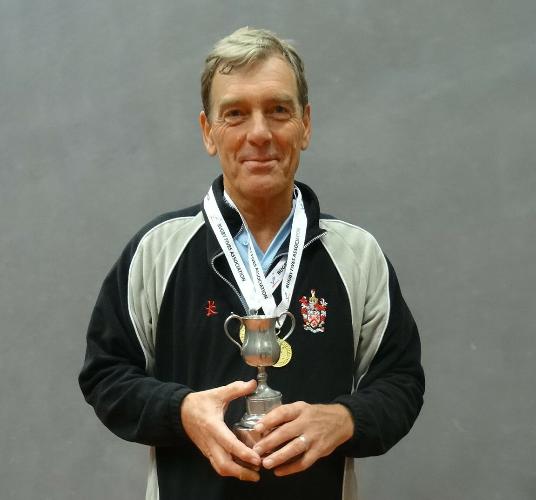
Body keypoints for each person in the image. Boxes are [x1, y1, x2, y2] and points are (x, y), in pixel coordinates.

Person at [79, 26, 425, 500]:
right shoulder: (157, 250)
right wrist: (180, 411)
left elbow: (402, 381)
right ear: (208, 131)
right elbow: (105, 374)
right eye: (236, 113)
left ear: (305, 124)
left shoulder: (357, 254)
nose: (259, 133)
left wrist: (344, 419)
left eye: (278, 110)